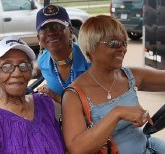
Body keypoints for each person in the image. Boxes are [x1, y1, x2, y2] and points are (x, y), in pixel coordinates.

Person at [61, 15, 165, 154]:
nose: (123, 49)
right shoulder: (74, 95)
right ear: (91, 47)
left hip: (147, 146)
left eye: (124, 43)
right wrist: (117, 113)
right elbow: (77, 148)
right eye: (114, 43)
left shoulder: (129, 76)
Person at [0, 36, 65, 154]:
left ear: (31, 71)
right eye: (6, 66)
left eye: (23, 65)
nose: (17, 73)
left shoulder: (44, 104)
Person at [33, 4, 90, 103]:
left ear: (71, 31)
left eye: (57, 26)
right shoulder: (43, 59)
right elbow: (38, 70)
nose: (51, 32)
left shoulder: (88, 58)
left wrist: (53, 95)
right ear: (39, 38)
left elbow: (97, 103)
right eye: (44, 28)